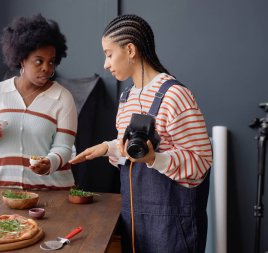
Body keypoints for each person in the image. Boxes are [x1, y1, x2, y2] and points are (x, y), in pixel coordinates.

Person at [69, 14, 213, 252]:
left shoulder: (175, 96)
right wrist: (108, 148)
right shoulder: (128, 97)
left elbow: (201, 162)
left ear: (130, 49)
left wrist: (154, 159)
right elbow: (131, 151)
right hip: (135, 223)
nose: (105, 64)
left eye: (108, 53)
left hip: (173, 227)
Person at [0, 14, 77, 190]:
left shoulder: (62, 98)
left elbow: (64, 148)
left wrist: (49, 162)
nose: (47, 68)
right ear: (22, 58)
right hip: (4, 192)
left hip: (51, 192)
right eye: (39, 61)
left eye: (51, 62)